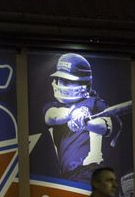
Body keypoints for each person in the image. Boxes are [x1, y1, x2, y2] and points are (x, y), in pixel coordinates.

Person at [42, 53, 118, 183]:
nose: (60, 83)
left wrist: (86, 121)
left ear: (84, 84)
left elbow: (107, 126)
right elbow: (51, 116)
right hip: (65, 175)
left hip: (89, 172)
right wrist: (72, 113)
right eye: (59, 79)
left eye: (66, 81)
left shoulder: (96, 103)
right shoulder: (55, 105)